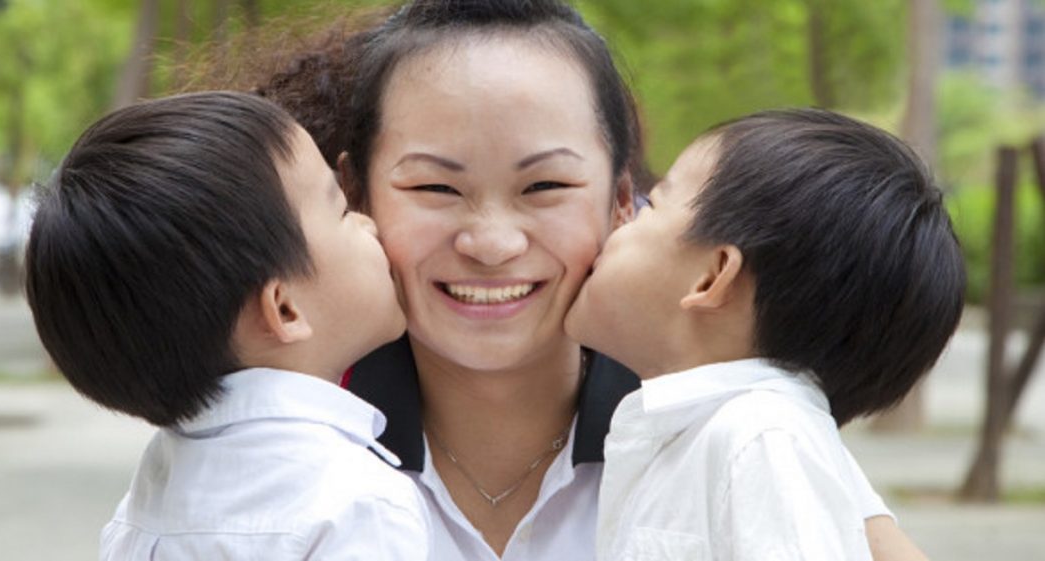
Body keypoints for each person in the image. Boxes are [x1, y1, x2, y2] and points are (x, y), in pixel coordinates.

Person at [256, 1, 935, 559]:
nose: (492, 243)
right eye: (435, 185)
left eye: (546, 185)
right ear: (356, 194)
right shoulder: (275, 441)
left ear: (621, 203)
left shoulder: (736, 435)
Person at [23, 91, 429, 560]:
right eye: (341, 211)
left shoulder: (143, 505)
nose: (369, 225)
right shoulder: (357, 504)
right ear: (285, 309)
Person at [565, 108, 965, 560]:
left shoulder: (760, 439)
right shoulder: (730, 433)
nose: (618, 225)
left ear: (712, 276)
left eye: (651, 205)